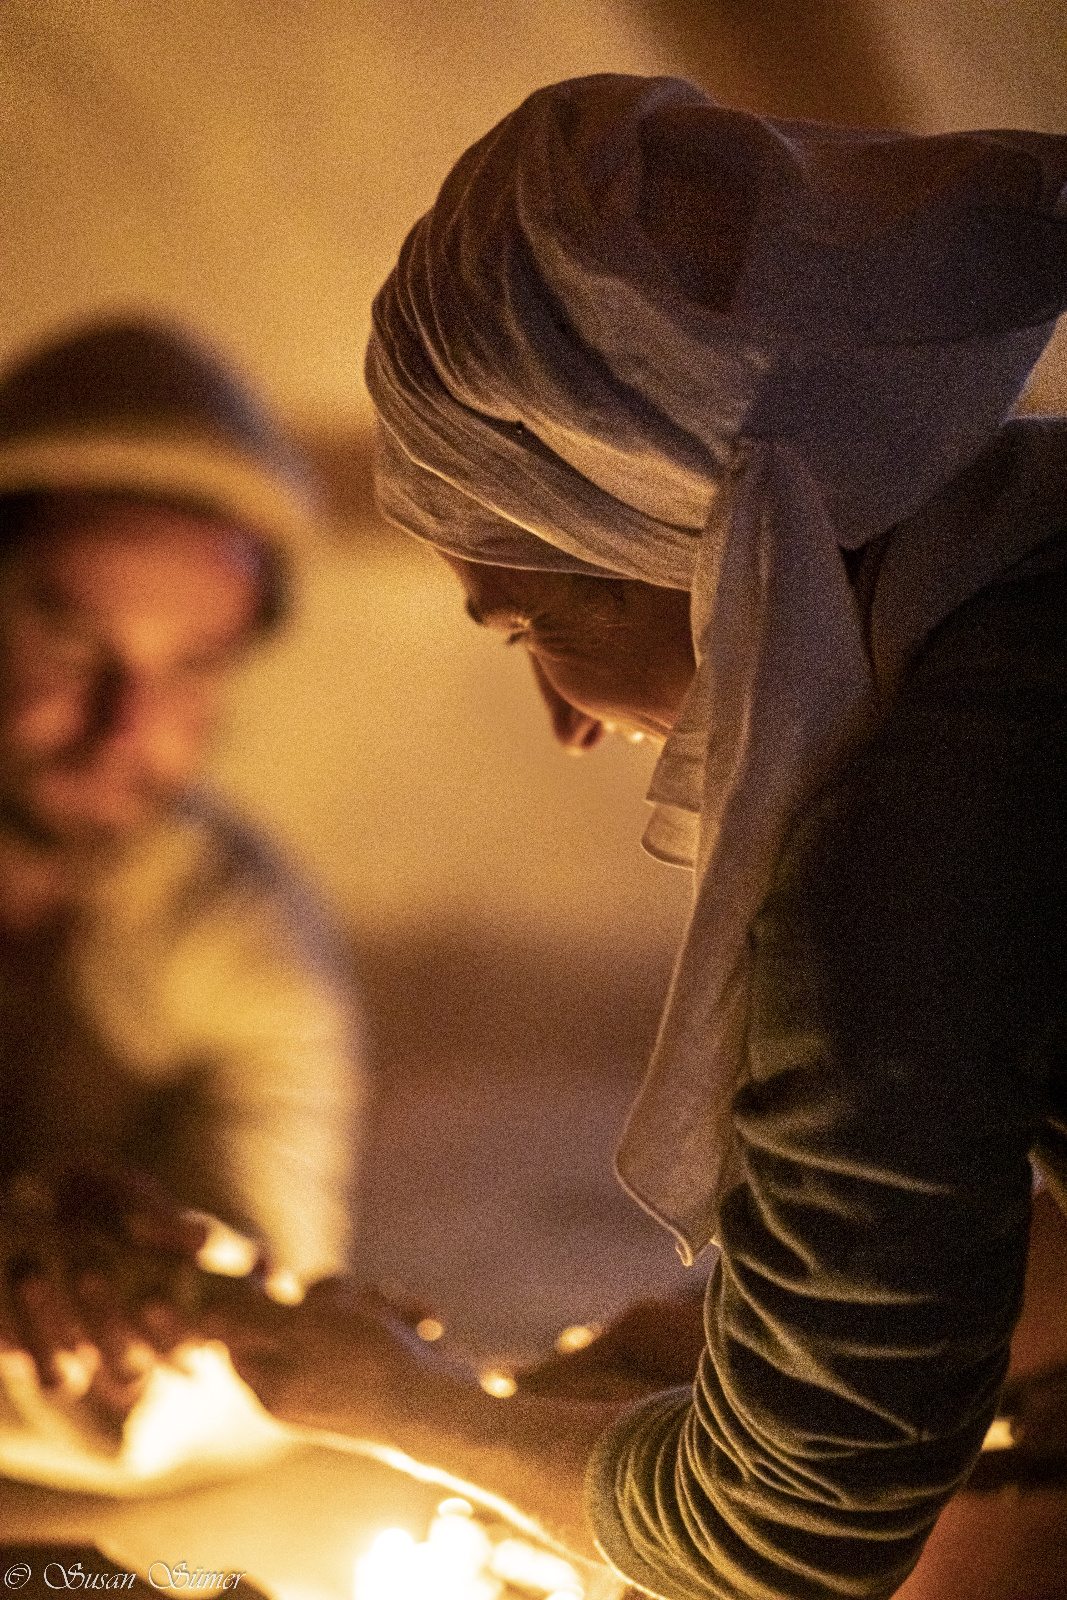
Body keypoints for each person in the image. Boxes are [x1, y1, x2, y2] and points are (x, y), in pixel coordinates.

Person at [317, 75, 1067, 1599]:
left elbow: (791, 1530)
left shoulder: (898, 867)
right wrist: (752, 1337)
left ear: (685, 544)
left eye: (525, 626)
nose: (565, 721)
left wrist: (389, 1402)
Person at [0, 318, 365, 1396]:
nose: (125, 726)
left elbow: (267, 1324)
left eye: (191, 667)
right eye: (75, 641)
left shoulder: (245, 945)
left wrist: (158, 1292)